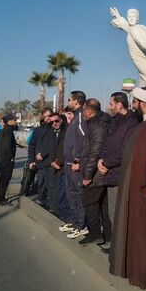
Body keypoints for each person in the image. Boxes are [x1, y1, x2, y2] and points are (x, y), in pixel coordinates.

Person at [109, 87, 146, 290]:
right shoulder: (145, 123)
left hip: (143, 190)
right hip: (132, 186)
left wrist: (142, 185)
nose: (133, 104)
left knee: (143, 232)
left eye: (135, 101)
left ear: (143, 102)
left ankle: (142, 273)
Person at [97, 92, 138, 240]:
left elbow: (124, 150)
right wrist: (101, 160)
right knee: (113, 212)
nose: (109, 107)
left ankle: (119, 248)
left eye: (111, 104)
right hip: (110, 173)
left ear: (119, 105)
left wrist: (106, 163)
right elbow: (108, 144)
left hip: (119, 174)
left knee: (119, 214)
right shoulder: (116, 121)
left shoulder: (131, 123)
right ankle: (116, 246)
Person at [79, 98, 110, 245]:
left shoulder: (97, 126)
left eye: (83, 109)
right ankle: (106, 236)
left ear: (89, 111)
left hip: (96, 173)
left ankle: (96, 233)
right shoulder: (94, 123)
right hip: (96, 171)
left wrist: (87, 175)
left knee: (89, 202)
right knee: (101, 204)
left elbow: (95, 152)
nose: (82, 112)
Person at [59, 91, 89, 239]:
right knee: (71, 194)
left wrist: (78, 159)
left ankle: (81, 225)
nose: (68, 101)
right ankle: (74, 220)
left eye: (69, 99)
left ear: (76, 101)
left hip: (75, 164)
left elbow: (83, 140)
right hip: (69, 163)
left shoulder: (81, 116)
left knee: (77, 195)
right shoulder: (75, 117)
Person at [28, 107, 53, 205]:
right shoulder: (38, 130)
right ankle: (41, 200)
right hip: (40, 163)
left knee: (51, 185)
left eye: (49, 116)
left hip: (51, 162)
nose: (47, 118)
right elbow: (31, 145)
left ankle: (51, 204)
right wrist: (31, 160)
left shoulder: (55, 129)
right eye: (45, 116)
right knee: (41, 183)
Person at [47, 112, 68, 217]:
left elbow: (67, 150)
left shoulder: (67, 131)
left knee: (65, 195)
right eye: (52, 122)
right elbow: (51, 148)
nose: (54, 123)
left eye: (56, 121)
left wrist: (59, 162)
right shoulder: (52, 132)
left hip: (65, 168)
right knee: (59, 192)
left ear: (61, 120)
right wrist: (52, 161)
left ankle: (65, 217)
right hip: (56, 167)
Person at [0, 114, 17, 206]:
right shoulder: (8, 130)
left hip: (3, 158)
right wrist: (11, 157)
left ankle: (1, 197)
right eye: (14, 120)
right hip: (7, 159)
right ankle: (2, 199)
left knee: (3, 179)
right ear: (9, 121)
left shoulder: (5, 129)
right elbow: (7, 145)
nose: (15, 121)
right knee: (5, 178)